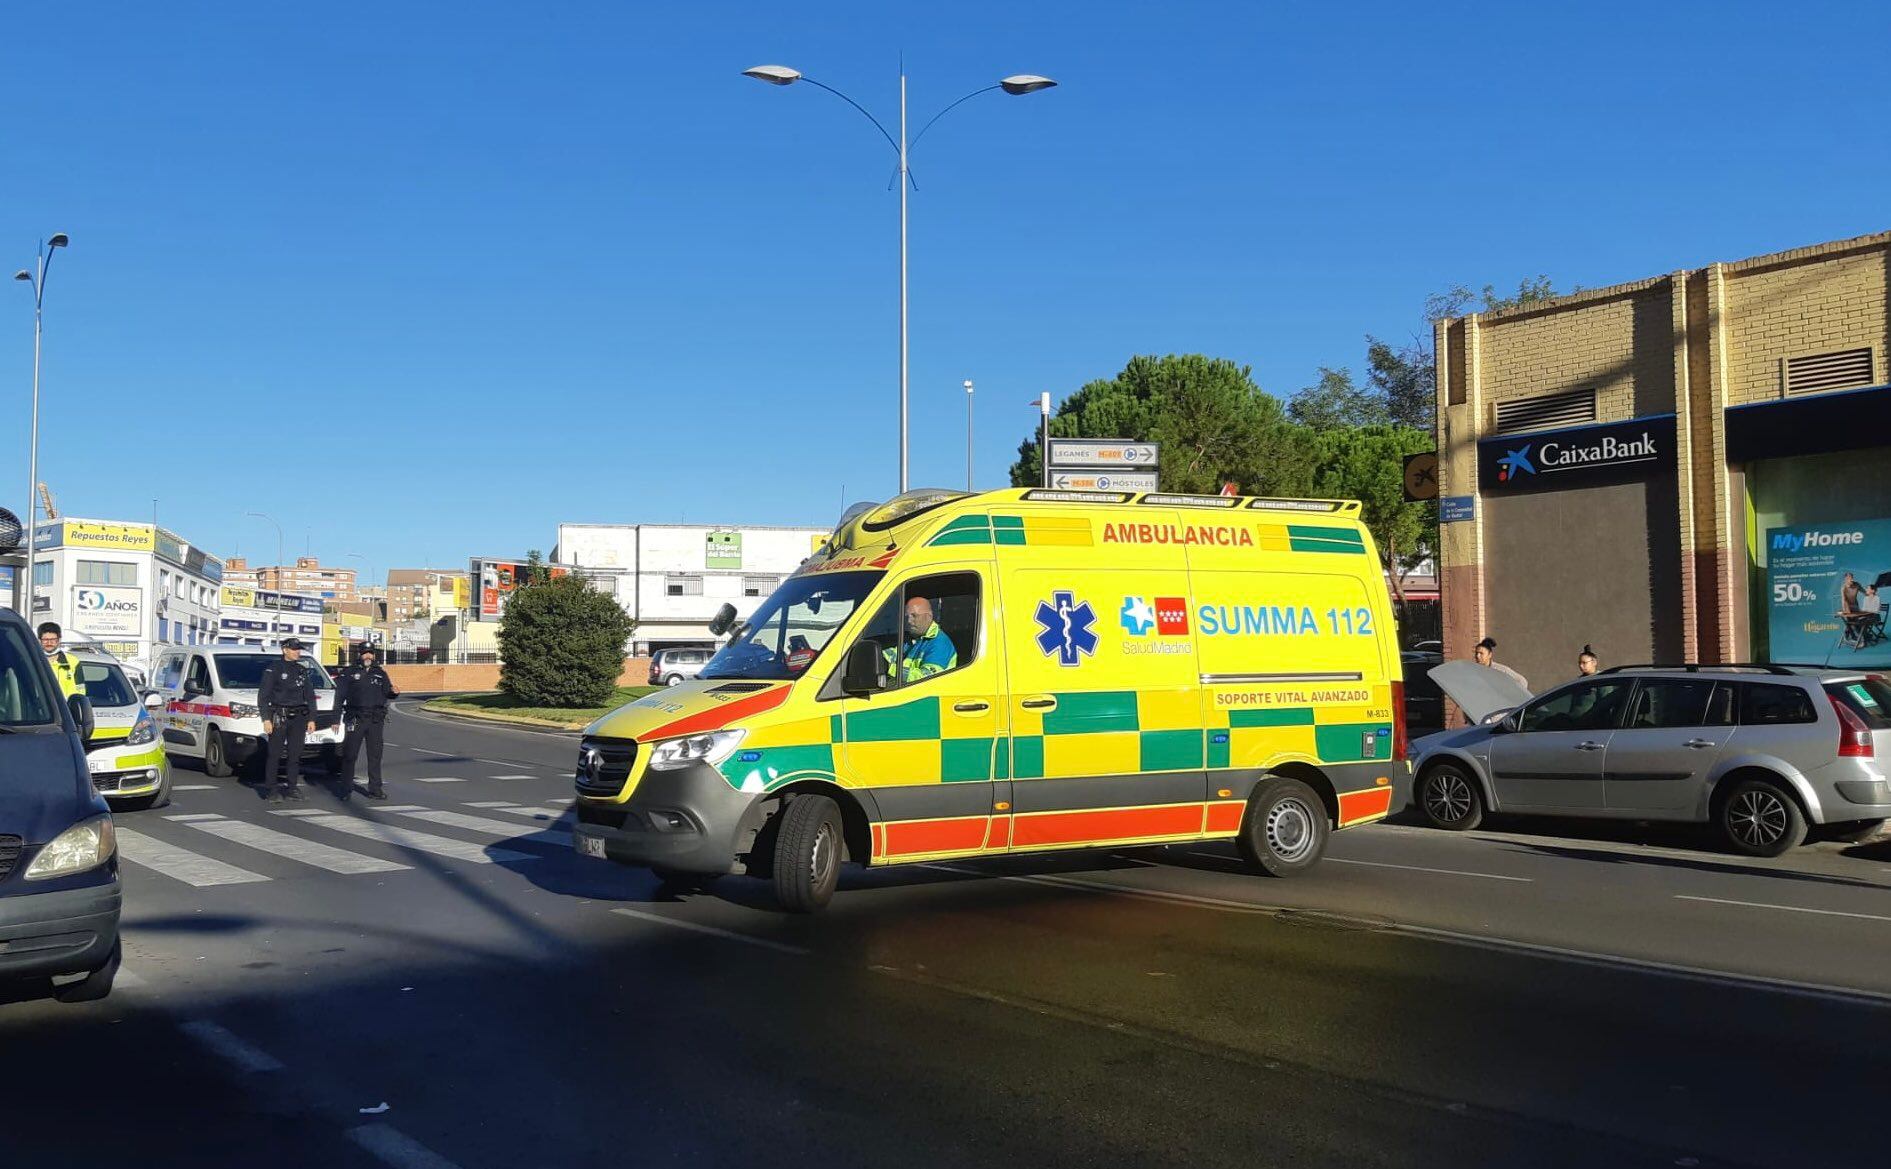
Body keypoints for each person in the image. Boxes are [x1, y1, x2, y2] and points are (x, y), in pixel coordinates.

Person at [256, 637, 317, 802]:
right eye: (294, 649)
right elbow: (263, 696)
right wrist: (266, 719)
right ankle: (271, 790)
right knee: (274, 754)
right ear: (285, 650)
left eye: (299, 649)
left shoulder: (302, 670)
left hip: (298, 717)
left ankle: (292, 788)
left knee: (294, 755)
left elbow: (310, 697)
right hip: (279, 716)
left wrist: (311, 718)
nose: (297, 652)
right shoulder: (274, 669)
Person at [337, 643, 399, 800]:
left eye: (370, 653)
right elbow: (339, 697)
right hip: (355, 718)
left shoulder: (380, 673)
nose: (368, 656)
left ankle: (375, 789)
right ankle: (345, 789)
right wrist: (334, 718)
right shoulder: (349, 672)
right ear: (359, 654)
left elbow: (387, 692)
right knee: (350, 754)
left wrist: (393, 692)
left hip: (375, 719)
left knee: (375, 755)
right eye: (365, 653)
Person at [885, 596, 957, 684]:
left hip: (928, 695)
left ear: (929, 616)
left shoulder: (939, 643)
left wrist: (889, 668)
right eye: (907, 616)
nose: (909, 621)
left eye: (914, 616)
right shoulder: (914, 639)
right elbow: (891, 655)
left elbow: (926, 678)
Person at [37, 622, 79, 698]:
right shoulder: (34, 661)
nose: (49, 643)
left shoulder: (73, 661)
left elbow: (81, 690)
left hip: (67, 708)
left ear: (59, 640)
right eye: (45, 639)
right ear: (39, 640)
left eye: (53, 639)